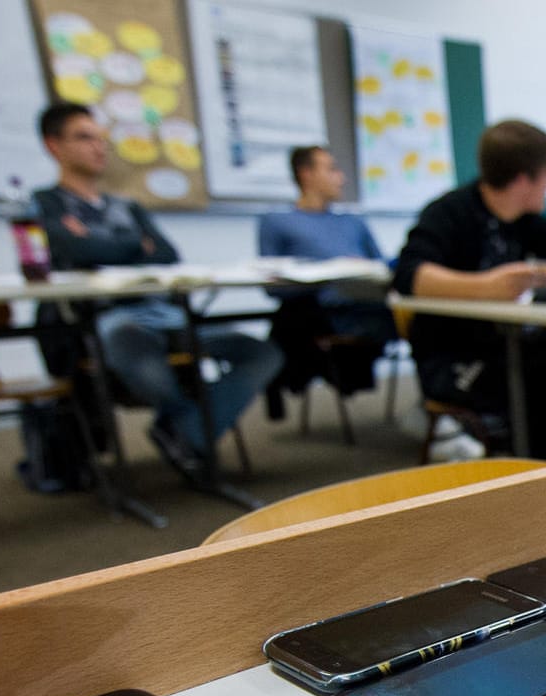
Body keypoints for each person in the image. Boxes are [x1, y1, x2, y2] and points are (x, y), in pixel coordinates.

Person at [34, 103, 281, 482]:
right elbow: (76, 251)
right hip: (108, 319)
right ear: (54, 145)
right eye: (83, 138)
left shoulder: (126, 206)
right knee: (133, 348)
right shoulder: (44, 204)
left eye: (101, 138)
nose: (98, 147)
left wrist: (104, 244)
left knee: (261, 353)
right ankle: (187, 427)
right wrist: (134, 245)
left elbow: (166, 254)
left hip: (166, 315)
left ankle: (181, 431)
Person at [394, 120, 546, 461]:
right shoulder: (449, 213)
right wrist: (486, 287)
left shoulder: (525, 220)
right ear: (524, 179)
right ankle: (540, 469)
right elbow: (408, 275)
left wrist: (537, 275)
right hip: (454, 355)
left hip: (509, 343)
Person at [257, 145, 393, 418]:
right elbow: (272, 285)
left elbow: (382, 268)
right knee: (295, 320)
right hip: (321, 312)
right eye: (331, 169)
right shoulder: (276, 221)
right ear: (305, 174)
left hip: (371, 305)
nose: (340, 178)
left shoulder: (353, 221)